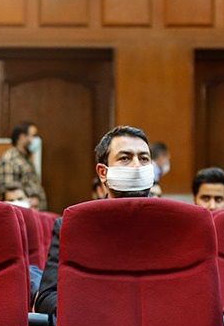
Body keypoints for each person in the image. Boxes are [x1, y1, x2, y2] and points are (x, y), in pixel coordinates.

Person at [34, 126, 154, 315]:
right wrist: (95, 311)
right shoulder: (74, 226)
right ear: (103, 173)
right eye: (125, 158)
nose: (137, 166)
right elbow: (47, 298)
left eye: (144, 158)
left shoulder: (175, 226)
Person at [0, 121, 47, 210]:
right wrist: (29, 203)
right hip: (22, 214)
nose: (36, 140)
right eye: (33, 136)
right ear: (22, 137)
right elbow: (10, 195)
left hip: (34, 214)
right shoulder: (9, 160)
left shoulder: (26, 159)